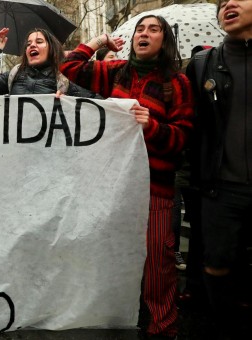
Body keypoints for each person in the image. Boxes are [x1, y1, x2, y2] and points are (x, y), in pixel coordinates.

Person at [61, 15, 194, 340]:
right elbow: (70, 67)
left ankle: (163, 327)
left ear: (165, 41)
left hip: (156, 191)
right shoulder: (117, 71)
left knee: (157, 269)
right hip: (114, 188)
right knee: (112, 257)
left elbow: (182, 138)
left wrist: (153, 127)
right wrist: (99, 42)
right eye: (140, 29)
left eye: (154, 29)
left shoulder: (176, 84)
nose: (144, 34)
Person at [186, 0, 252, 338]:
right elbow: (185, 120)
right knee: (217, 264)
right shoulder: (202, 64)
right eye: (223, 2)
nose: (229, 4)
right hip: (220, 188)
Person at [0, 27, 101, 98]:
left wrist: (69, 100)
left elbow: (99, 101)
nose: (32, 46)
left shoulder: (66, 77)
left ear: (51, 48)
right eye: (28, 44)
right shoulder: (15, 74)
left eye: (39, 41)